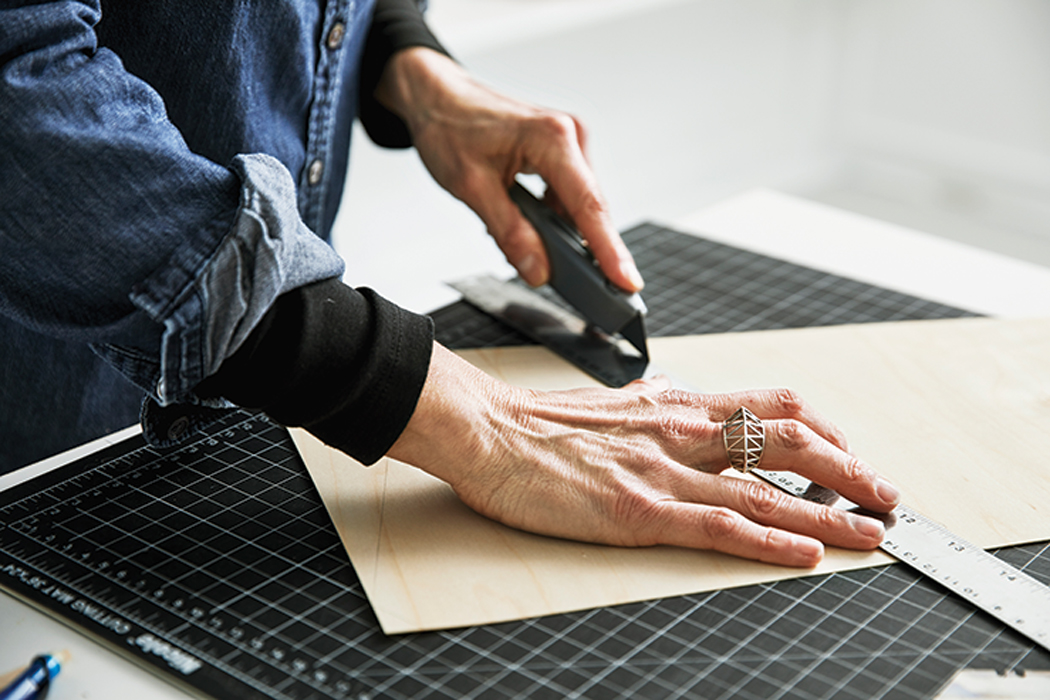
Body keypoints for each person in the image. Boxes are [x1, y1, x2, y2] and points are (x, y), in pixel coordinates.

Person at [0, 0, 899, 568]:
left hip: (262, 396)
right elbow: (20, 77)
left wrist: (406, 61)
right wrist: (477, 419)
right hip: (43, 439)